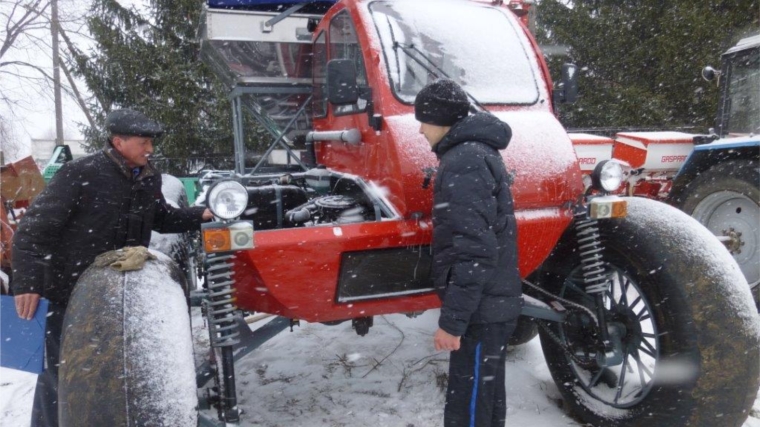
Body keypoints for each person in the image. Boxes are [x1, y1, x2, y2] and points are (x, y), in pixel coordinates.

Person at [11, 109, 214, 427]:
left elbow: (160, 217)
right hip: (70, 294)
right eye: (143, 142)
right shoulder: (81, 173)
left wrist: (201, 214)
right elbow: (33, 230)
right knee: (60, 375)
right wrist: (27, 283)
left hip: (118, 297)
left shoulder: (148, 178)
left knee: (108, 375)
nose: (150, 149)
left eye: (151, 142)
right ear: (118, 142)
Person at [415, 79, 523, 427]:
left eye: (424, 120)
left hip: (481, 309)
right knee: (486, 397)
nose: (420, 129)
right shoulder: (474, 152)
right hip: (490, 304)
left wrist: (453, 322)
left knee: (471, 403)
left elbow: (474, 250)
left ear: (442, 120)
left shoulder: (464, 161)